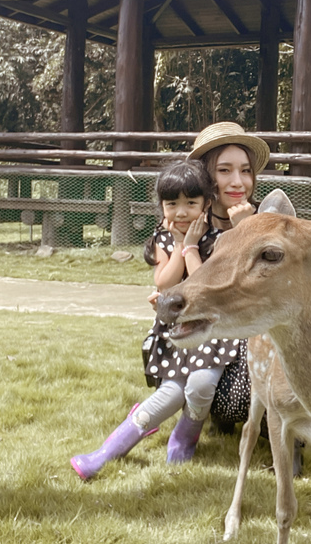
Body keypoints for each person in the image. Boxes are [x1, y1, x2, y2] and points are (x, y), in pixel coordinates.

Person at [70, 125, 270, 478]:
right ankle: (105, 453)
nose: (237, 181)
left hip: (241, 335)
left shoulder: (256, 219)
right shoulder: (186, 221)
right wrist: (168, 290)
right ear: (206, 179)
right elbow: (166, 279)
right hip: (190, 329)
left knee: (202, 385)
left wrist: (248, 230)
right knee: (174, 391)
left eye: (246, 170)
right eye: (224, 170)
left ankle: (192, 434)